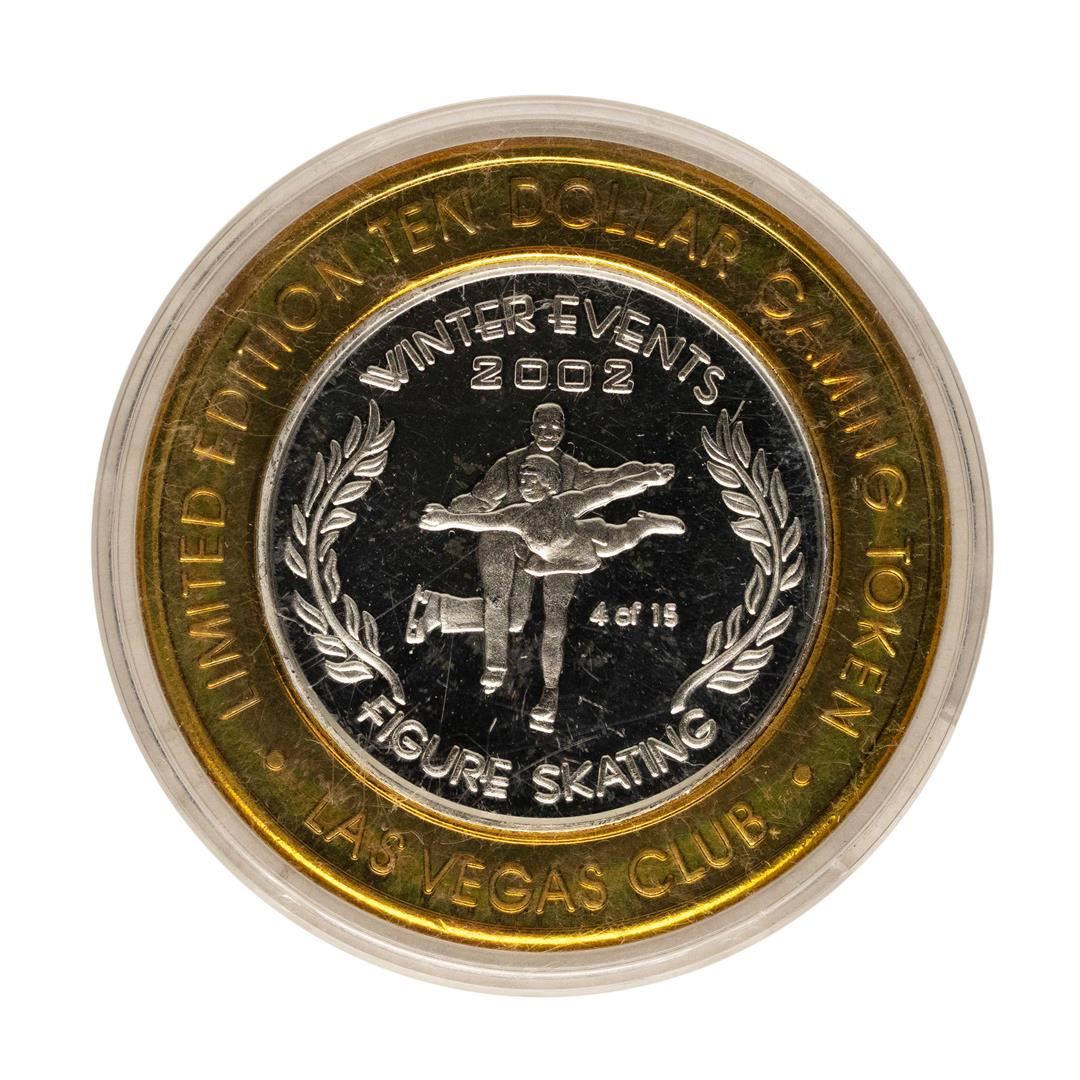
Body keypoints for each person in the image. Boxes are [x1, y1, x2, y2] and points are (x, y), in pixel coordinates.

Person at [406, 403, 671, 697]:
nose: (548, 434)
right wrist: (455, 513)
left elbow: (610, 480)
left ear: (563, 431)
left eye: (555, 429)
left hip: (537, 546)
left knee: (516, 618)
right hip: (498, 537)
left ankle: (440, 609)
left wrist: (648, 472)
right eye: (542, 428)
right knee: (496, 600)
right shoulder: (510, 464)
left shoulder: (571, 469)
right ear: (532, 430)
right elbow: (483, 502)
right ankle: (495, 667)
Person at [416, 454, 684, 731]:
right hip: (554, 564)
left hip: (592, 545)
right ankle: (550, 695)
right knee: (550, 624)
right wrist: (447, 519)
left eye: (531, 479)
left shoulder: (567, 503)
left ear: (549, 483)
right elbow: (484, 521)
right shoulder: (518, 515)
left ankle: (649, 522)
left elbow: (611, 490)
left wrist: (649, 477)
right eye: (522, 479)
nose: (524, 484)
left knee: (629, 536)